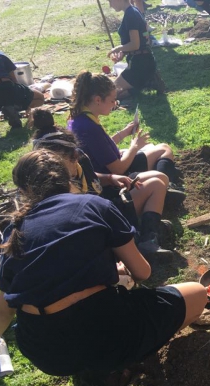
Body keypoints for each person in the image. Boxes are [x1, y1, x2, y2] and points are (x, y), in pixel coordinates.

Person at [0, 150, 207, 377]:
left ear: (23, 190)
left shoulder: (14, 231)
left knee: (81, 321)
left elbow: (4, 310)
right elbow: (142, 272)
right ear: (68, 177)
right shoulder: (94, 205)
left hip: (45, 353)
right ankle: (118, 362)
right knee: (197, 293)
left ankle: (95, 370)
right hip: (103, 333)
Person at [30, 109, 173, 260]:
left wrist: (110, 178)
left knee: (158, 179)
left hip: (104, 202)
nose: (76, 157)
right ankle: (147, 240)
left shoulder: (74, 158)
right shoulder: (57, 184)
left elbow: (89, 175)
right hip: (101, 218)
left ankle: (147, 223)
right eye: (71, 157)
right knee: (156, 185)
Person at [69, 71, 185, 208]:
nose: (115, 104)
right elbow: (118, 169)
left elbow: (101, 147)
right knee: (164, 151)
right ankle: (165, 190)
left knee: (160, 150)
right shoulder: (90, 128)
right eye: (112, 100)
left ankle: (166, 184)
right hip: (112, 180)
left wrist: (124, 133)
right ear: (98, 100)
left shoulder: (79, 119)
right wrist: (134, 147)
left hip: (104, 173)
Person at [107, 0, 164, 97]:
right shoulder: (133, 11)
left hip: (141, 64)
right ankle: (147, 81)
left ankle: (147, 81)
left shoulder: (131, 14)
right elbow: (142, 38)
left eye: (111, 1)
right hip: (142, 60)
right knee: (117, 94)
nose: (110, 5)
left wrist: (117, 49)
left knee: (110, 94)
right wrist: (123, 53)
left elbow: (135, 44)